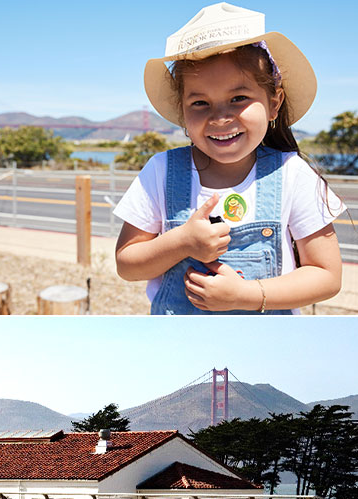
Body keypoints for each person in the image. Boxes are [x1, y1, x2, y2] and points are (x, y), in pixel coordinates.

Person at [114, 3, 344, 314]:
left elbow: (327, 276)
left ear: (274, 103)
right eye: (200, 102)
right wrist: (181, 242)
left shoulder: (292, 173)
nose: (221, 117)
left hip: (265, 343)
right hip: (180, 340)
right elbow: (127, 265)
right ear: (182, 111)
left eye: (238, 98)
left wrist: (245, 295)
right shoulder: (161, 170)